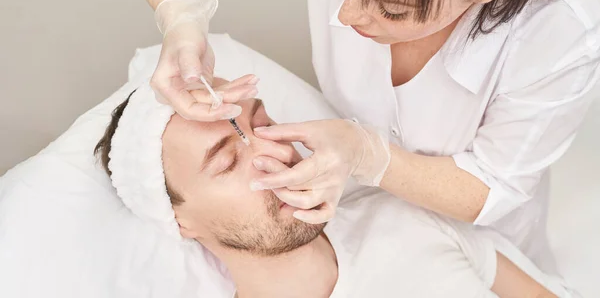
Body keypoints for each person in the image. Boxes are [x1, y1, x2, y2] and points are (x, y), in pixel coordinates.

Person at [133, 0, 600, 271]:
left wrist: (367, 155)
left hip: (488, 242)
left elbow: (494, 184)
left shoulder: (564, 26)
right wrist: (181, 19)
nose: (348, 14)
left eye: (391, 9)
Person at [95, 80, 573, 298]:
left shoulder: (408, 217)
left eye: (261, 124)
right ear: (180, 220)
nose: (272, 154)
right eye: (225, 161)